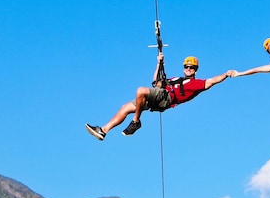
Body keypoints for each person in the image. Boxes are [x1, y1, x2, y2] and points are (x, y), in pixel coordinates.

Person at [86, 54, 234, 141]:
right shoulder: (176, 78)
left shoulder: (196, 83)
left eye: (191, 68)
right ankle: (103, 130)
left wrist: (226, 74)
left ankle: (136, 122)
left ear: (196, 70)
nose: (188, 69)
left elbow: (212, 81)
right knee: (125, 107)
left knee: (141, 91)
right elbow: (156, 82)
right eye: (186, 67)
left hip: (167, 98)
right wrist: (159, 64)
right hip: (159, 95)